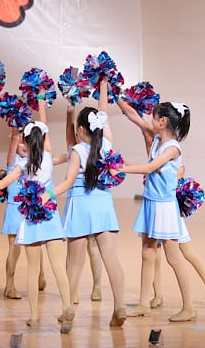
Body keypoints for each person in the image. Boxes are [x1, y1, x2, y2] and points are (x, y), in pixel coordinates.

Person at [116, 98, 205, 310]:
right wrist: (114, 94)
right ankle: (145, 303)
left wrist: (119, 168)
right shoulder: (156, 138)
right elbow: (134, 117)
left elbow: (150, 168)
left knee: (177, 255)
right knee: (148, 253)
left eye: (153, 118)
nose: (149, 121)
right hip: (151, 203)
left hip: (166, 207)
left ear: (162, 121)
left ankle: (194, 303)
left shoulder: (173, 148)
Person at [0, 101, 74, 333]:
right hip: (50, 215)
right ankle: (67, 306)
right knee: (58, 267)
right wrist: (41, 100)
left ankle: (33, 316)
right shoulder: (48, 156)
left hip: (32, 218)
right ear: (43, 140)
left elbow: (2, 184)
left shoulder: (23, 164)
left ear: (24, 141)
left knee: (33, 269)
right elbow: (44, 127)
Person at [41, 78, 127, 327]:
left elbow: (68, 182)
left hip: (80, 205)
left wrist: (47, 194)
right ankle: (119, 306)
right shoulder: (106, 143)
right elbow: (103, 111)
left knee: (74, 263)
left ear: (80, 130)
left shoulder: (77, 151)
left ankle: (68, 309)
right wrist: (103, 83)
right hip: (103, 204)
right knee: (112, 259)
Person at [0, 130, 48, 300]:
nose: (23, 145)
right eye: (19, 142)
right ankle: (9, 285)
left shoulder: (36, 160)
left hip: (31, 208)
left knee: (36, 243)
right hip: (15, 210)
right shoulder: (13, 162)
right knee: (14, 249)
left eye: (24, 140)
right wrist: (15, 124)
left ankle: (41, 275)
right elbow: (14, 137)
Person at [64, 106, 103, 303]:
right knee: (92, 245)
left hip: (79, 201)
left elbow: (69, 134)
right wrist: (71, 113)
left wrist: (69, 112)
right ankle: (96, 287)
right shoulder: (101, 147)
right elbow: (70, 133)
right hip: (95, 202)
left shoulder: (77, 150)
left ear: (80, 129)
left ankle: (74, 291)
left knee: (74, 250)